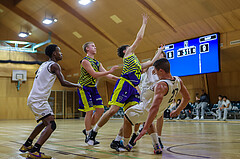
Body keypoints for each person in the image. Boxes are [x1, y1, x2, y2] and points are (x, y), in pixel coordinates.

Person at [87, 13, 160, 146]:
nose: (132, 48)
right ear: (126, 51)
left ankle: (116, 140)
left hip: (133, 89)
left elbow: (150, 63)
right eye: (129, 47)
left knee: (131, 117)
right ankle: (93, 132)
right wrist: (144, 22)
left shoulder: (136, 62)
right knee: (113, 110)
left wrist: (159, 52)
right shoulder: (128, 55)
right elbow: (139, 38)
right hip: (124, 84)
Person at [19, 44, 81, 159]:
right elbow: (63, 82)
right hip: (39, 99)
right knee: (52, 124)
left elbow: (36, 73)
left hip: (34, 98)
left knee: (45, 123)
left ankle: (27, 145)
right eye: (59, 51)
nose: (61, 53)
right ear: (54, 53)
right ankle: (35, 151)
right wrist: (77, 85)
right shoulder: (55, 65)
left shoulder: (43, 64)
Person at [125, 58, 190, 154]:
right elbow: (187, 97)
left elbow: (154, 108)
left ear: (161, 71)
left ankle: (125, 144)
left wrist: (145, 128)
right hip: (159, 112)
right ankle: (156, 145)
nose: (154, 74)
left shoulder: (161, 85)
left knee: (126, 116)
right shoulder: (178, 80)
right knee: (149, 118)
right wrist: (178, 110)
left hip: (147, 109)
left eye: (155, 71)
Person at [109, 46, 166, 152]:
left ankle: (125, 142)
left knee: (132, 118)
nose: (158, 58)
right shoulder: (150, 67)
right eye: (157, 56)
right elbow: (138, 70)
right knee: (144, 120)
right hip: (144, 96)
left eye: (160, 57)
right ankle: (151, 142)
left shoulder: (162, 73)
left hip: (152, 97)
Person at [78, 42, 119, 145]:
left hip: (93, 88)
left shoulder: (97, 62)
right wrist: (109, 71)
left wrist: (122, 79)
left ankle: (89, 129)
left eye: (95, 46)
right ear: (87, 49)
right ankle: (88, 134)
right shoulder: (85, 61)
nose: (95, 47)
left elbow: (109, 76)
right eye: (93, 46)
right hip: (84, 88)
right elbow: (94, 74)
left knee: (100, 110)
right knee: (89, 111)